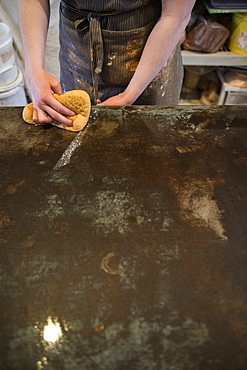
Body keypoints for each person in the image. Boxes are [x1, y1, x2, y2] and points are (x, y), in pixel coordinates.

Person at [18, 0, 195, 127]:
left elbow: (175, 15)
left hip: (149, 58)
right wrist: (34, 71)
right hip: (77, 52)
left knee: (147, 153)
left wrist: (129, 95)